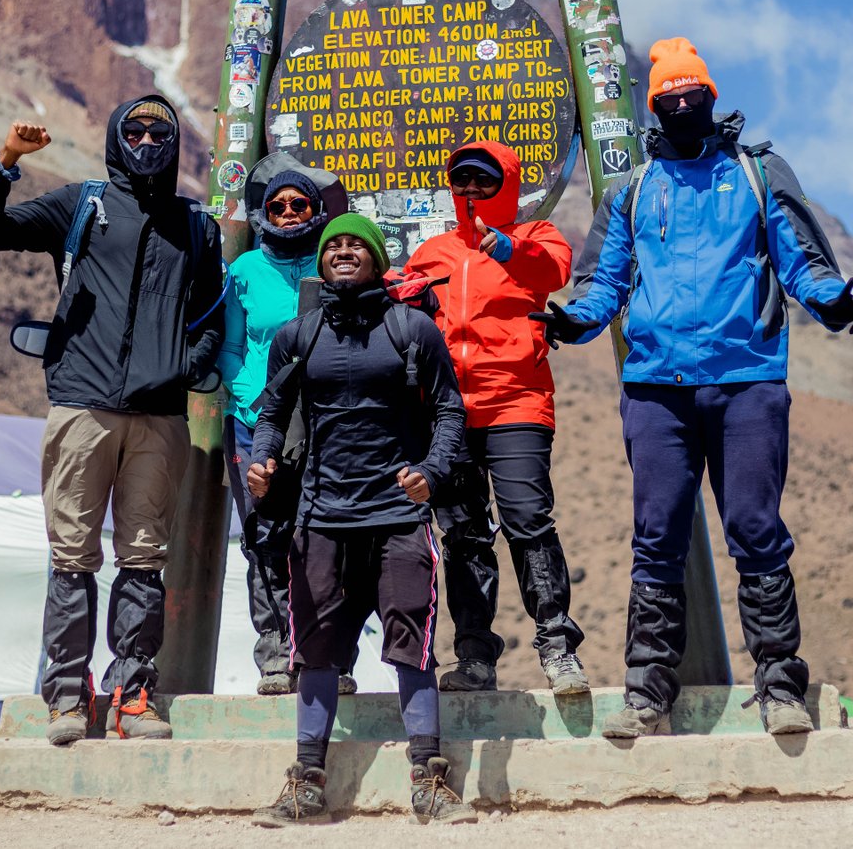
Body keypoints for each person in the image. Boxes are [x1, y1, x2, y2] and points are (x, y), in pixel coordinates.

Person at [532, 38, 853, 739]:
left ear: (713, 99)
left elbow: (799, 257)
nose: (685, 106)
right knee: (655, 539)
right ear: (655, 107)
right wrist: (571, 321)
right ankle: (646, 695)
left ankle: (780, 687)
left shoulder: (756, 172)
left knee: (755, 530)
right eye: (670, 99)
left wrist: (831, 299)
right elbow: (604, 282)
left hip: (747, 381)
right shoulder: (633, 190)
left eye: (696, 96)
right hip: (658, 389)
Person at [0, 96, 223, 745]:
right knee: (73, 556)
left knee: (143, 559)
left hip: (159, 420)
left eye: (158, 131)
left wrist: (182, 368)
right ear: (116, 137)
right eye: (133, 129)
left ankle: (134, 694)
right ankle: (68, 697)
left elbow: (213, 316)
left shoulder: (197, 226)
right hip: (81, 408)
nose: (145, 139)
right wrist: (8, 161)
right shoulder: (81, 204)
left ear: (174, 144)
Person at [246, 213, 475, 827]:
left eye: (356, 245)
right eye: (334, 246)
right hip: (321, 513)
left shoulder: (413, 330)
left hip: (399, 511)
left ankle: (431, 780)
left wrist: (431, 469)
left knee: (412, 638)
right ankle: (305, 782)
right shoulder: (297, 336)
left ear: (376, 258)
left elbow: (451, 411)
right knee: (316, 647)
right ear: (321, 262)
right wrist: (263, 459)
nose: (344, 252)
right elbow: (271, 413)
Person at [401, 141, 588, 695]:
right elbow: (406, 315)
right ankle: (475, 657)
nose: (472, 191)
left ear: (506, 184)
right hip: (446, 414)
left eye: (484, 181)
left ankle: (556, 646)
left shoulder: (537, 237)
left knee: (529, 521)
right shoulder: (432, 252)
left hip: (516, 403)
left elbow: (553, 273)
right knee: (462, 535)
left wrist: (505, 248)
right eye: (462, 181)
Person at [217, 168, 356, 695]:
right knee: (265, 540)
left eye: (301, 204)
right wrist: (248, 393)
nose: (291, 213)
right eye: (279, 206)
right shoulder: (246, 269)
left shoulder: (334, 263)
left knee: (331, 541)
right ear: (264, 215)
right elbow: (231, 344)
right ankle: (276, 655)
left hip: (326, 426)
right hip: (256, 425)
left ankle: (332, 658)